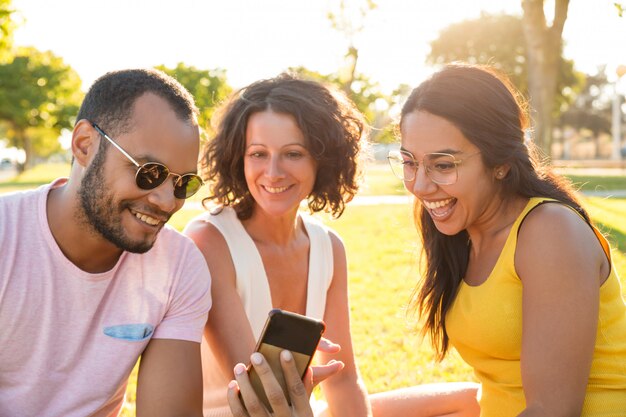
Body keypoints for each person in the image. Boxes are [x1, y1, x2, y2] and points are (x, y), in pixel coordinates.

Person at [390, 63, 626, 416]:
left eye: (443, 165)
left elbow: (553, 410)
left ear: (499, 162)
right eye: (409, 162)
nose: (420, 186)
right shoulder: (462, 230)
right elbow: (497, 386)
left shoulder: (549, 231)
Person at [0, 68, 212, 417]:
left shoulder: (178, 266)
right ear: (85, 144)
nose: (166, 201)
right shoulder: (8, 235)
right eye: (150, 172)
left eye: (182, 183)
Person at [183, 74, 372, 417]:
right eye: (258, 153)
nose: (273, 172)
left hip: (299, 412)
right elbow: (259, 395)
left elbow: (344, 380)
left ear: (323, 159)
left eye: (293, 153)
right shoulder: (209, 241)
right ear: (238, 158)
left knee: (465, 401)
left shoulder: (329, 246)